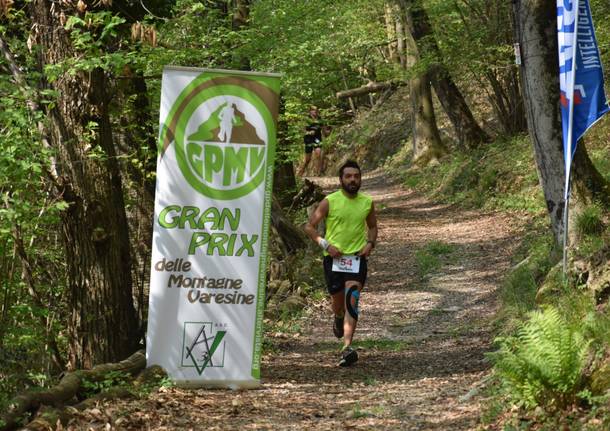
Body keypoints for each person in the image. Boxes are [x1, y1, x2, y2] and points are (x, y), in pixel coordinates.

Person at [304, 160, 378, 366]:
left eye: (356, 176)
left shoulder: (367, 202)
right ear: (341, 180)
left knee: (351, 300)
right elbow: (309, 227)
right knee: (338, 303)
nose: (353, 180)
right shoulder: (330, 201)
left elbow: (372, 227)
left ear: (360, 179)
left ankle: (346, 347)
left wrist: (370, 243)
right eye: (348, 176)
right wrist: (326, 245)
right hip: (334, 260)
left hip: (356, 259)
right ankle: (337, 317)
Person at [298, 106, 328, 176]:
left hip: (317, 138)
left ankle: (318, 173)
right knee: (308, 159)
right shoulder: (306, 119)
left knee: (318, 154)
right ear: (310, 111)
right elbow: (302, 130)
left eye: (316, 110)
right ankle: (300, 174)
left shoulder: (320, 119)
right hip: (308, 139)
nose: (315, 112)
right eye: (314, 110)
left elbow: (324, 131)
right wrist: (309, 132)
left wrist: (327, 132)